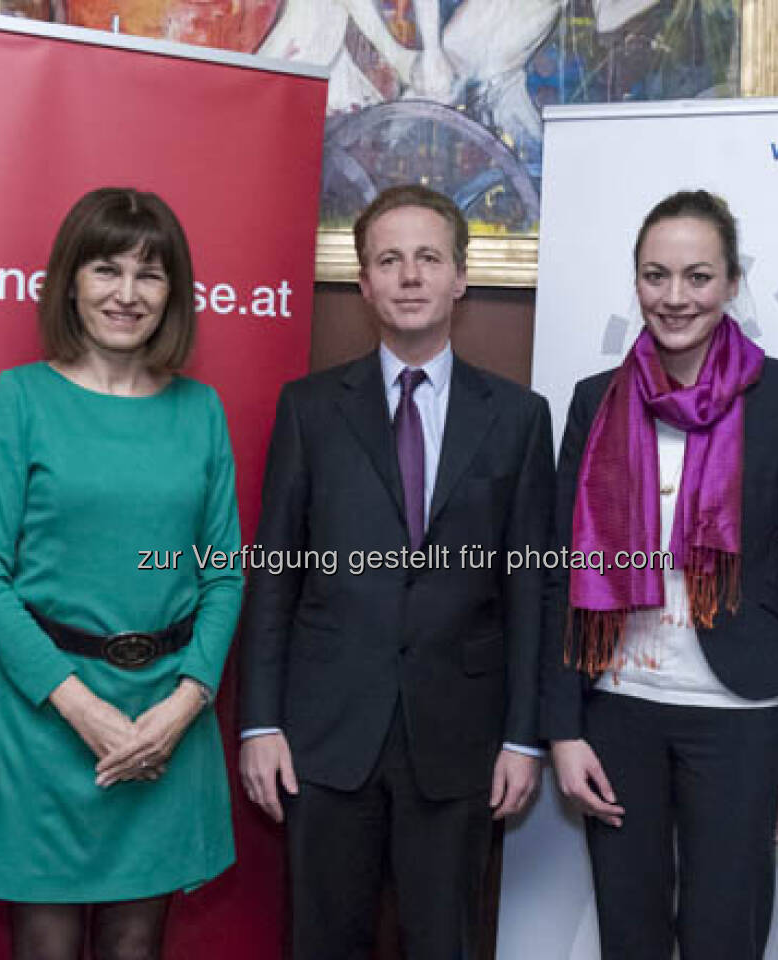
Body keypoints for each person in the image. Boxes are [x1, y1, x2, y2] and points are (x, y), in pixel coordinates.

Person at [237, 184, 554, 959]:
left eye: (428, 258)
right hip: (324, 736)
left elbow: (531, 589)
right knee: (323, 942)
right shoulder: (309, 409)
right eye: (389, 259)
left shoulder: (518, 417)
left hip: (460, 741)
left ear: (460, 278)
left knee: (444, 943)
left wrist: (524, 738)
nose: (409, 276)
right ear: (365, 282)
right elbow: (274, 575)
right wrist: (259, 721)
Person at [0, 187, 243, 960]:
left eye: (151, 274)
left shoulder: (201, 412)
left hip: (165, 722)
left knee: (136, 950)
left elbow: (225, 575)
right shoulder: (21, 398)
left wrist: (183, 706)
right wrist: (86, 712)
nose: (127, 294)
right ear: (70, 281)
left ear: (174, 293)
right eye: (107, 269)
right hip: (44, 722)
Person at [543, 190, 778, 958]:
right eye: (656, 275)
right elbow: (559, 575)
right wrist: (563, 729)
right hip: (618, 710)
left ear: (732, 283)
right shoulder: (594, 401)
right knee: (629, 937)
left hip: (740, 714)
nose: (675, 297)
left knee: (724, 937)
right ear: (635, 280)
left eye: (698, 276)